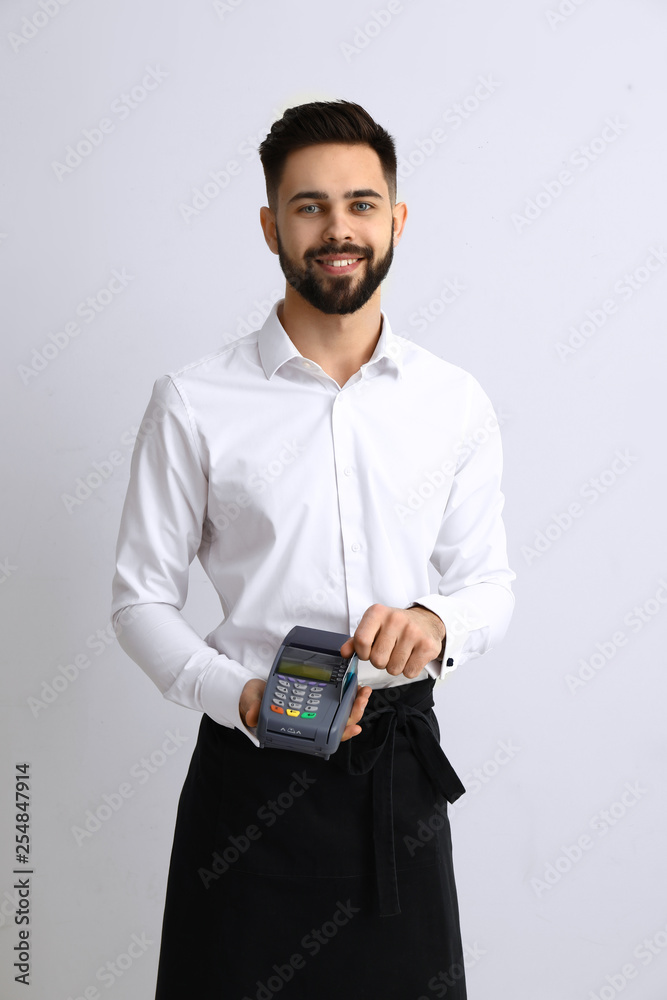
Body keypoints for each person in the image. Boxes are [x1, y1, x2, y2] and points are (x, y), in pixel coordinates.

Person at [111, 99, 515, 999]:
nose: (339, 228)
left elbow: (488, 582)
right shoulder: (193, 399)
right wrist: (241, 696)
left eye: (361, 204)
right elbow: (139, 600)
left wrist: (433, 620)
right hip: (249, 780)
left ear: (396, 219)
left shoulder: (452, 401)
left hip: (395, 782)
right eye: (309, 206)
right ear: (271, 226)